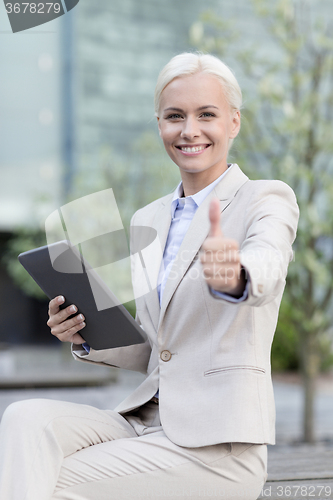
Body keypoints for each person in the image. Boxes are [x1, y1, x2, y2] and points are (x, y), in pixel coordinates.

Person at [0, 52, 299, 500]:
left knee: (48, 482)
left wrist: (235, 274)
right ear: (159, 123)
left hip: (218, 447)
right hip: (143, 421)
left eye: (207, 115)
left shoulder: (265, 199)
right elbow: (157, 350)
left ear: (233, 123)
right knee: (23, 419)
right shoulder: (151, 218)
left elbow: (269, 263)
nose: (189, 130)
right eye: (174, 116)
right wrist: (83, 334)